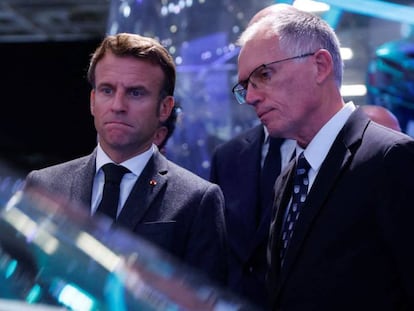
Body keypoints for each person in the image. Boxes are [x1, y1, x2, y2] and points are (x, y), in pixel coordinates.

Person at [232, 4, 414, 310]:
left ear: (320, 65)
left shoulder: (390, 158)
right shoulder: (288, 179)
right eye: (245, 85)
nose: (250, 97)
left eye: (264, 74)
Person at [23, 33, 227, 285]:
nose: (118, 105)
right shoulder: (44, 185)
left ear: (165, 108)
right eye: (107, 90)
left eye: (135, 93)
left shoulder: (197, 200)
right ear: (93, 101)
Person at [210, 123, 294, 309]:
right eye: (248, 91)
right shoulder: (226, 154)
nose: (251, 98)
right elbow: (216, 243)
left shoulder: (322, 150)